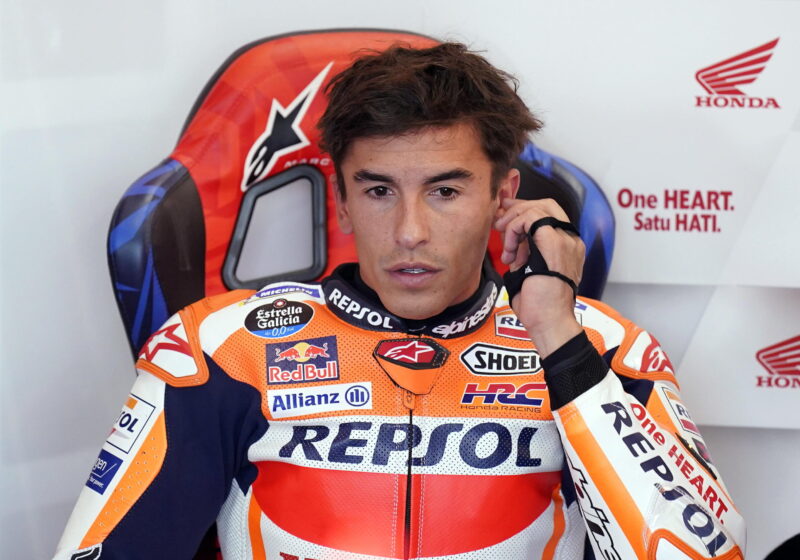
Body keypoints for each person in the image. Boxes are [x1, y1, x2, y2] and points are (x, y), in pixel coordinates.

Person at [55, 42, 745, 559]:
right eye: (379, 190)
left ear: (502, 197)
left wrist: (560, 343)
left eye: (445, 191)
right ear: (342, 200)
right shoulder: (221, 348)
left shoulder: (608, 348)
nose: (410, 231)